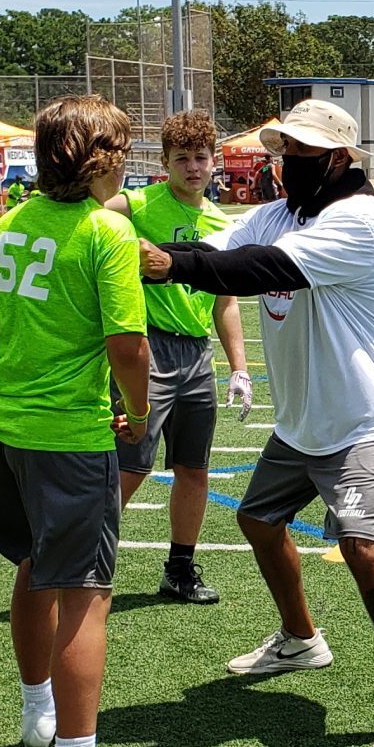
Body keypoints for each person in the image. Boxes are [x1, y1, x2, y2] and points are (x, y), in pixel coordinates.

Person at [137, 97, 374, 747]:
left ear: (338, 159)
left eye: (298, 155)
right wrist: (152, 249)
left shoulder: (362, 219)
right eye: (281, 153)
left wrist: (170, 264)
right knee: (257, 519)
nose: (285, 166)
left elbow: (260, 269)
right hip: (305, 418)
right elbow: (221, 247)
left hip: (365, 416)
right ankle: (301, 639)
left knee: (363, 546)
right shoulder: (277, 213)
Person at [0, 93, 165, 747]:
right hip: (67, 436)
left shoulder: (9, 223)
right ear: (103, 158)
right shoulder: (105, 232)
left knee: (32, 567)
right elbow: (128, 346)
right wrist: (138, 414)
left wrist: (14, 382)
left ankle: (35, 714)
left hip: (0, 425)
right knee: (84, 592)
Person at [110, 110, 253, 606]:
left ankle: (180, 568)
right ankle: (81, 557)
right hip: (148, 345)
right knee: (131, 465)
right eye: (181, 159)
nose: (193, 167)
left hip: (196, 355)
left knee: (193, 467)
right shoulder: (139, 202)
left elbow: (226, 300)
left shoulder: (220, 220)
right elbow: (88, 215)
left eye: (200, 157)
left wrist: (239, 366)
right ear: (165, 164)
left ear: (214, 161)